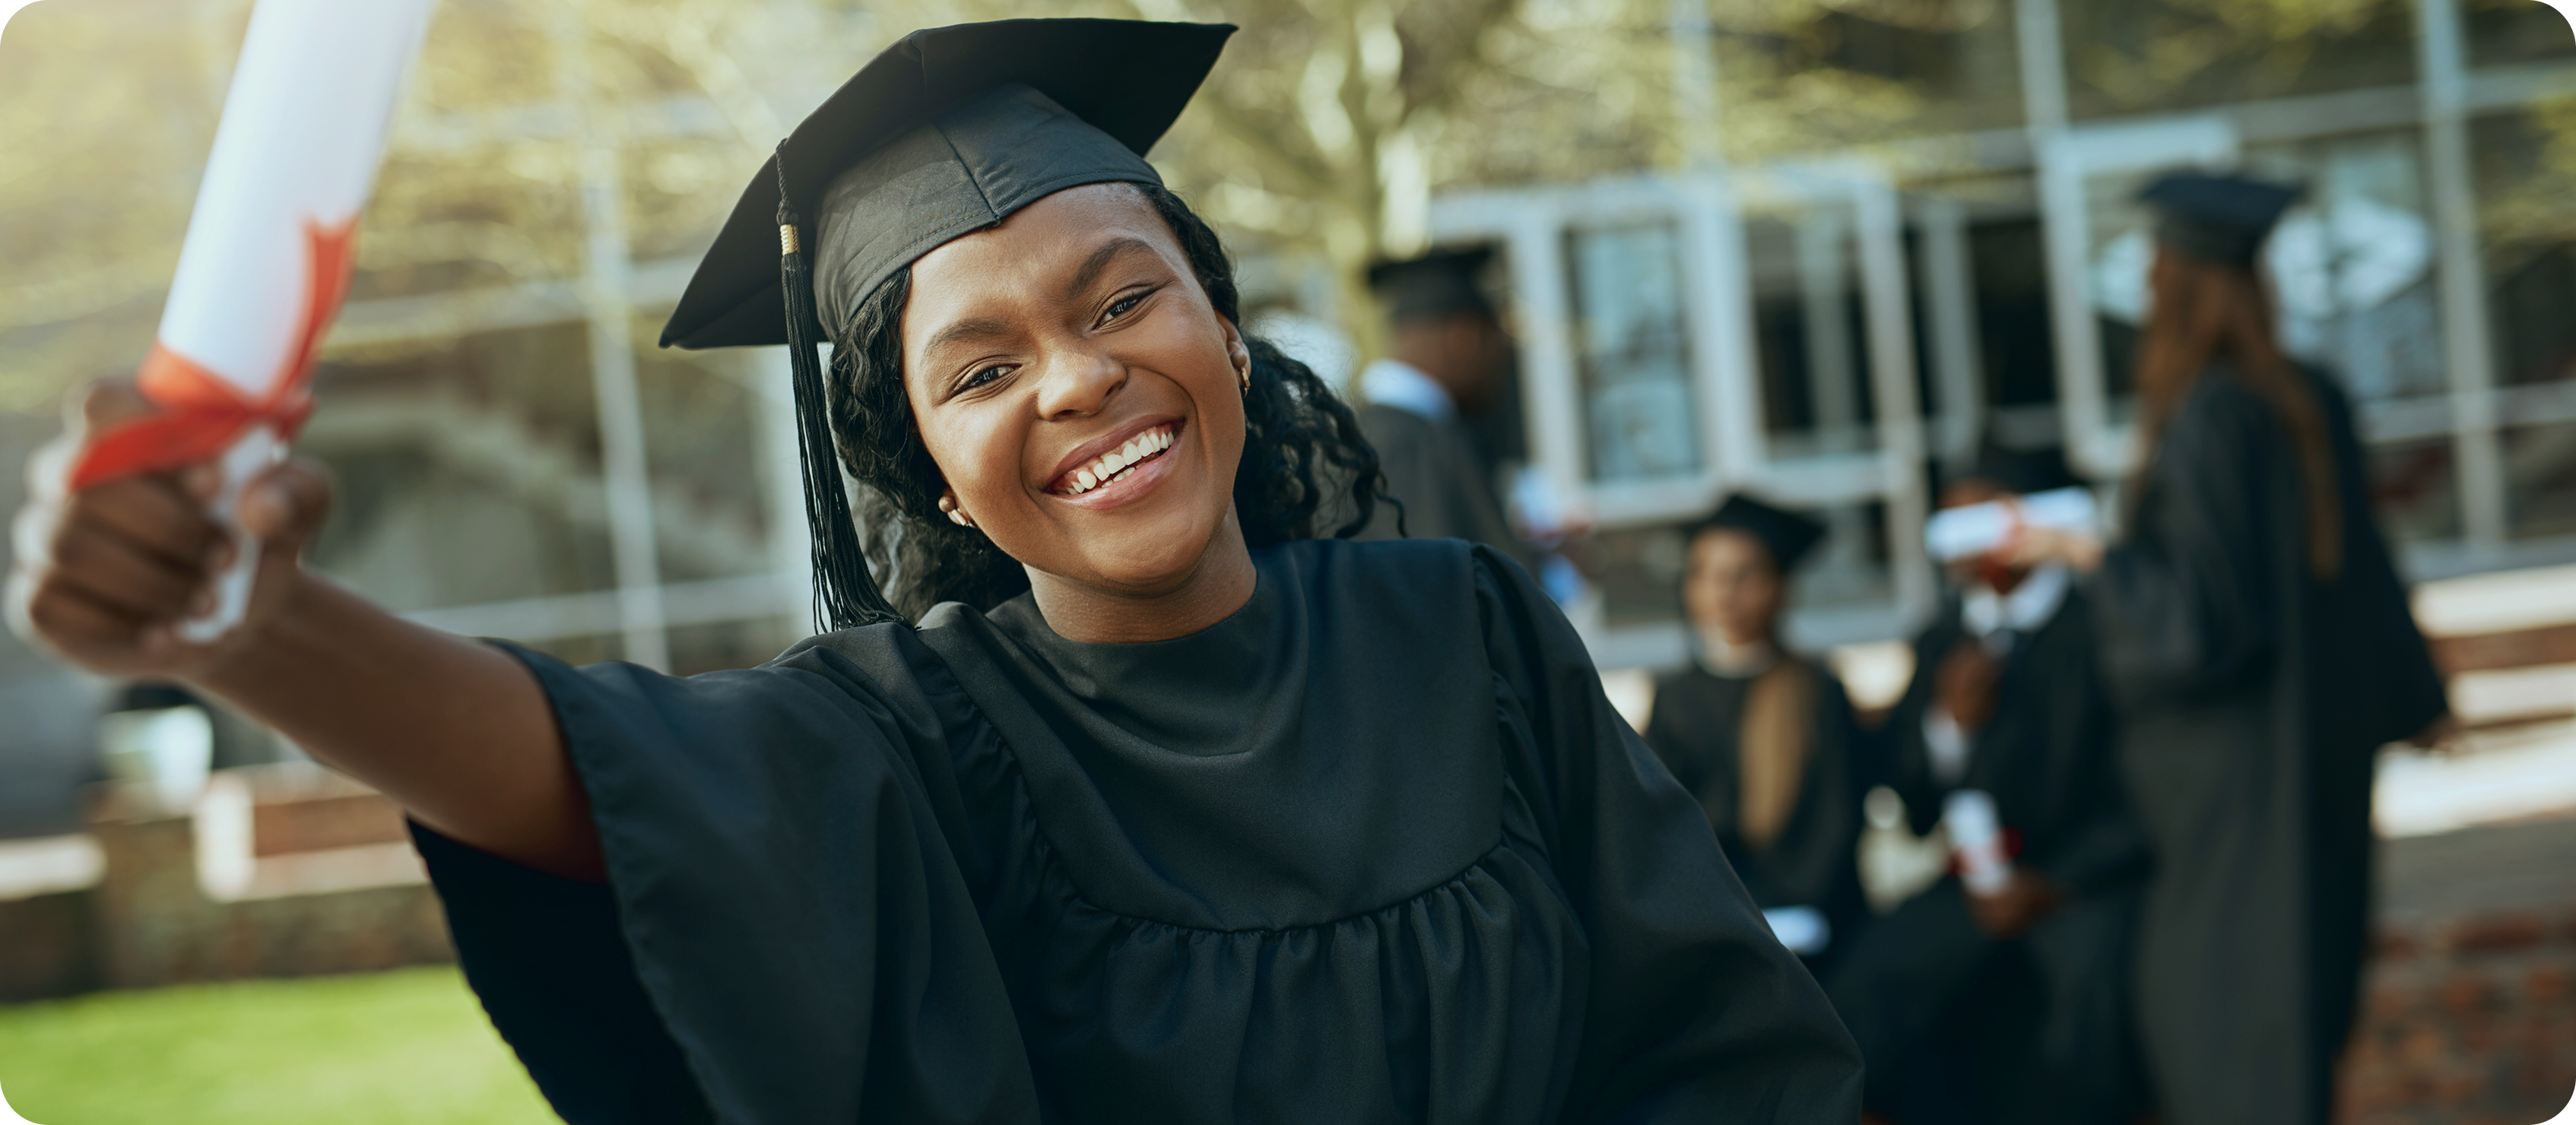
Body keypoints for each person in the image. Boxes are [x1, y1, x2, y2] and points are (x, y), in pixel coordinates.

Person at [8, 19, 1862, 1123]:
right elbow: (581, 772)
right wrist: (251, 624)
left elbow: (1730, 1052)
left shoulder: (1459, 631)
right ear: (936, 477)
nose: (1077, 380)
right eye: (978, 368)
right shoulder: (918, 739)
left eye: (1122, 293)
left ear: (1223, 319)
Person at [2010, 170, 2451, 1125]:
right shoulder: (2310, 394)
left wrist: (2085, 550)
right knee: (2297, 993)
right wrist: (2412, 697)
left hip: (2232, 781)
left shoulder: (2209, 415)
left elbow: (2198, 624)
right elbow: (2369, 569)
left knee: (2224, 1015)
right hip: (2316, 756)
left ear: (2174, 283)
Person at [1825, 449, 2149, 1125]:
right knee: (1870, 979)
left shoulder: (2105, 631)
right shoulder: (1941, 638)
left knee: (2089, 1001)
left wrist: (2055, 884)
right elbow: (1912, 807)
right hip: (1973, 884)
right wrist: (1949, 728)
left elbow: (2143, 792)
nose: (1960, 542)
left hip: (2080, 881)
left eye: (1980, 518)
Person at [1640, 496, 1868, 974]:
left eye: (1743, 575)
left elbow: (1836, 823)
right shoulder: (1674, 699)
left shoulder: (1817, 692)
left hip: (1814, 921)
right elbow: (1663, 831)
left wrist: (1778, 909)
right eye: (1704, 573)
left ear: (1782, 588)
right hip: (1715, 924)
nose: (1723, 592)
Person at [1350, 248, 1543, 573]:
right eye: (1497, 347)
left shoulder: (1365, 432)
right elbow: (1444, 590)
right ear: (1464, 339)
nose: (1498, 373)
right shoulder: (1413, 444)